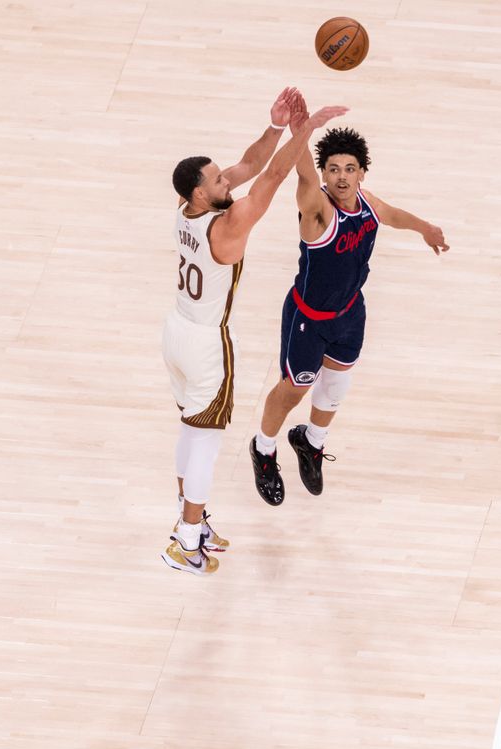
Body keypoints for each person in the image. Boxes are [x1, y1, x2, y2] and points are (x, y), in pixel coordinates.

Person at [162, 90, 348, 575]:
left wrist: (275, 126)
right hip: (206, 342)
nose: (228, 179)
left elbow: (249, 164)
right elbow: (272, 176)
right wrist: (304, 130)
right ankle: (184, 536)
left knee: (188, 428)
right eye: (218, 179)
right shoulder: (230, 223)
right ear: (203, 192)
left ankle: (194, 526)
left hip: (176, 331)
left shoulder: (186, 210)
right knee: (206, 442)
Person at [248, 122, 450, 505]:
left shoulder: (368, 201)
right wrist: (302, 129)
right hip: (309, 319)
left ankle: (311, 442)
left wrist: (426, 229)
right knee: (293, 391)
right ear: (324, 174)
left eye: (350, 169)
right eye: (334, 169)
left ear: (361, 173)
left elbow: (392, 215)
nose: (342, 177)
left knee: (336, 387)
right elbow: (301, 170)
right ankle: (263, 449)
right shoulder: (317, 209)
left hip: (350, 313)